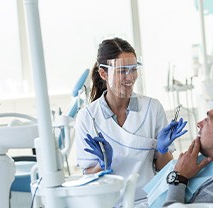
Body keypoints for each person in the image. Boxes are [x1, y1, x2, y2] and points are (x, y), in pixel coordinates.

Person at [74, 37, 187, 205]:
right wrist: (102, 165)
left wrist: (162, 150)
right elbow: (88, 178)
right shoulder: (87, 116)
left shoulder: (152, 108)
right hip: (111, 202)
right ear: (103, 73)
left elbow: (165, 170)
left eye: (133, 69)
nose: (130, 77)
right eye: (121, 71)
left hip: (150, 200)